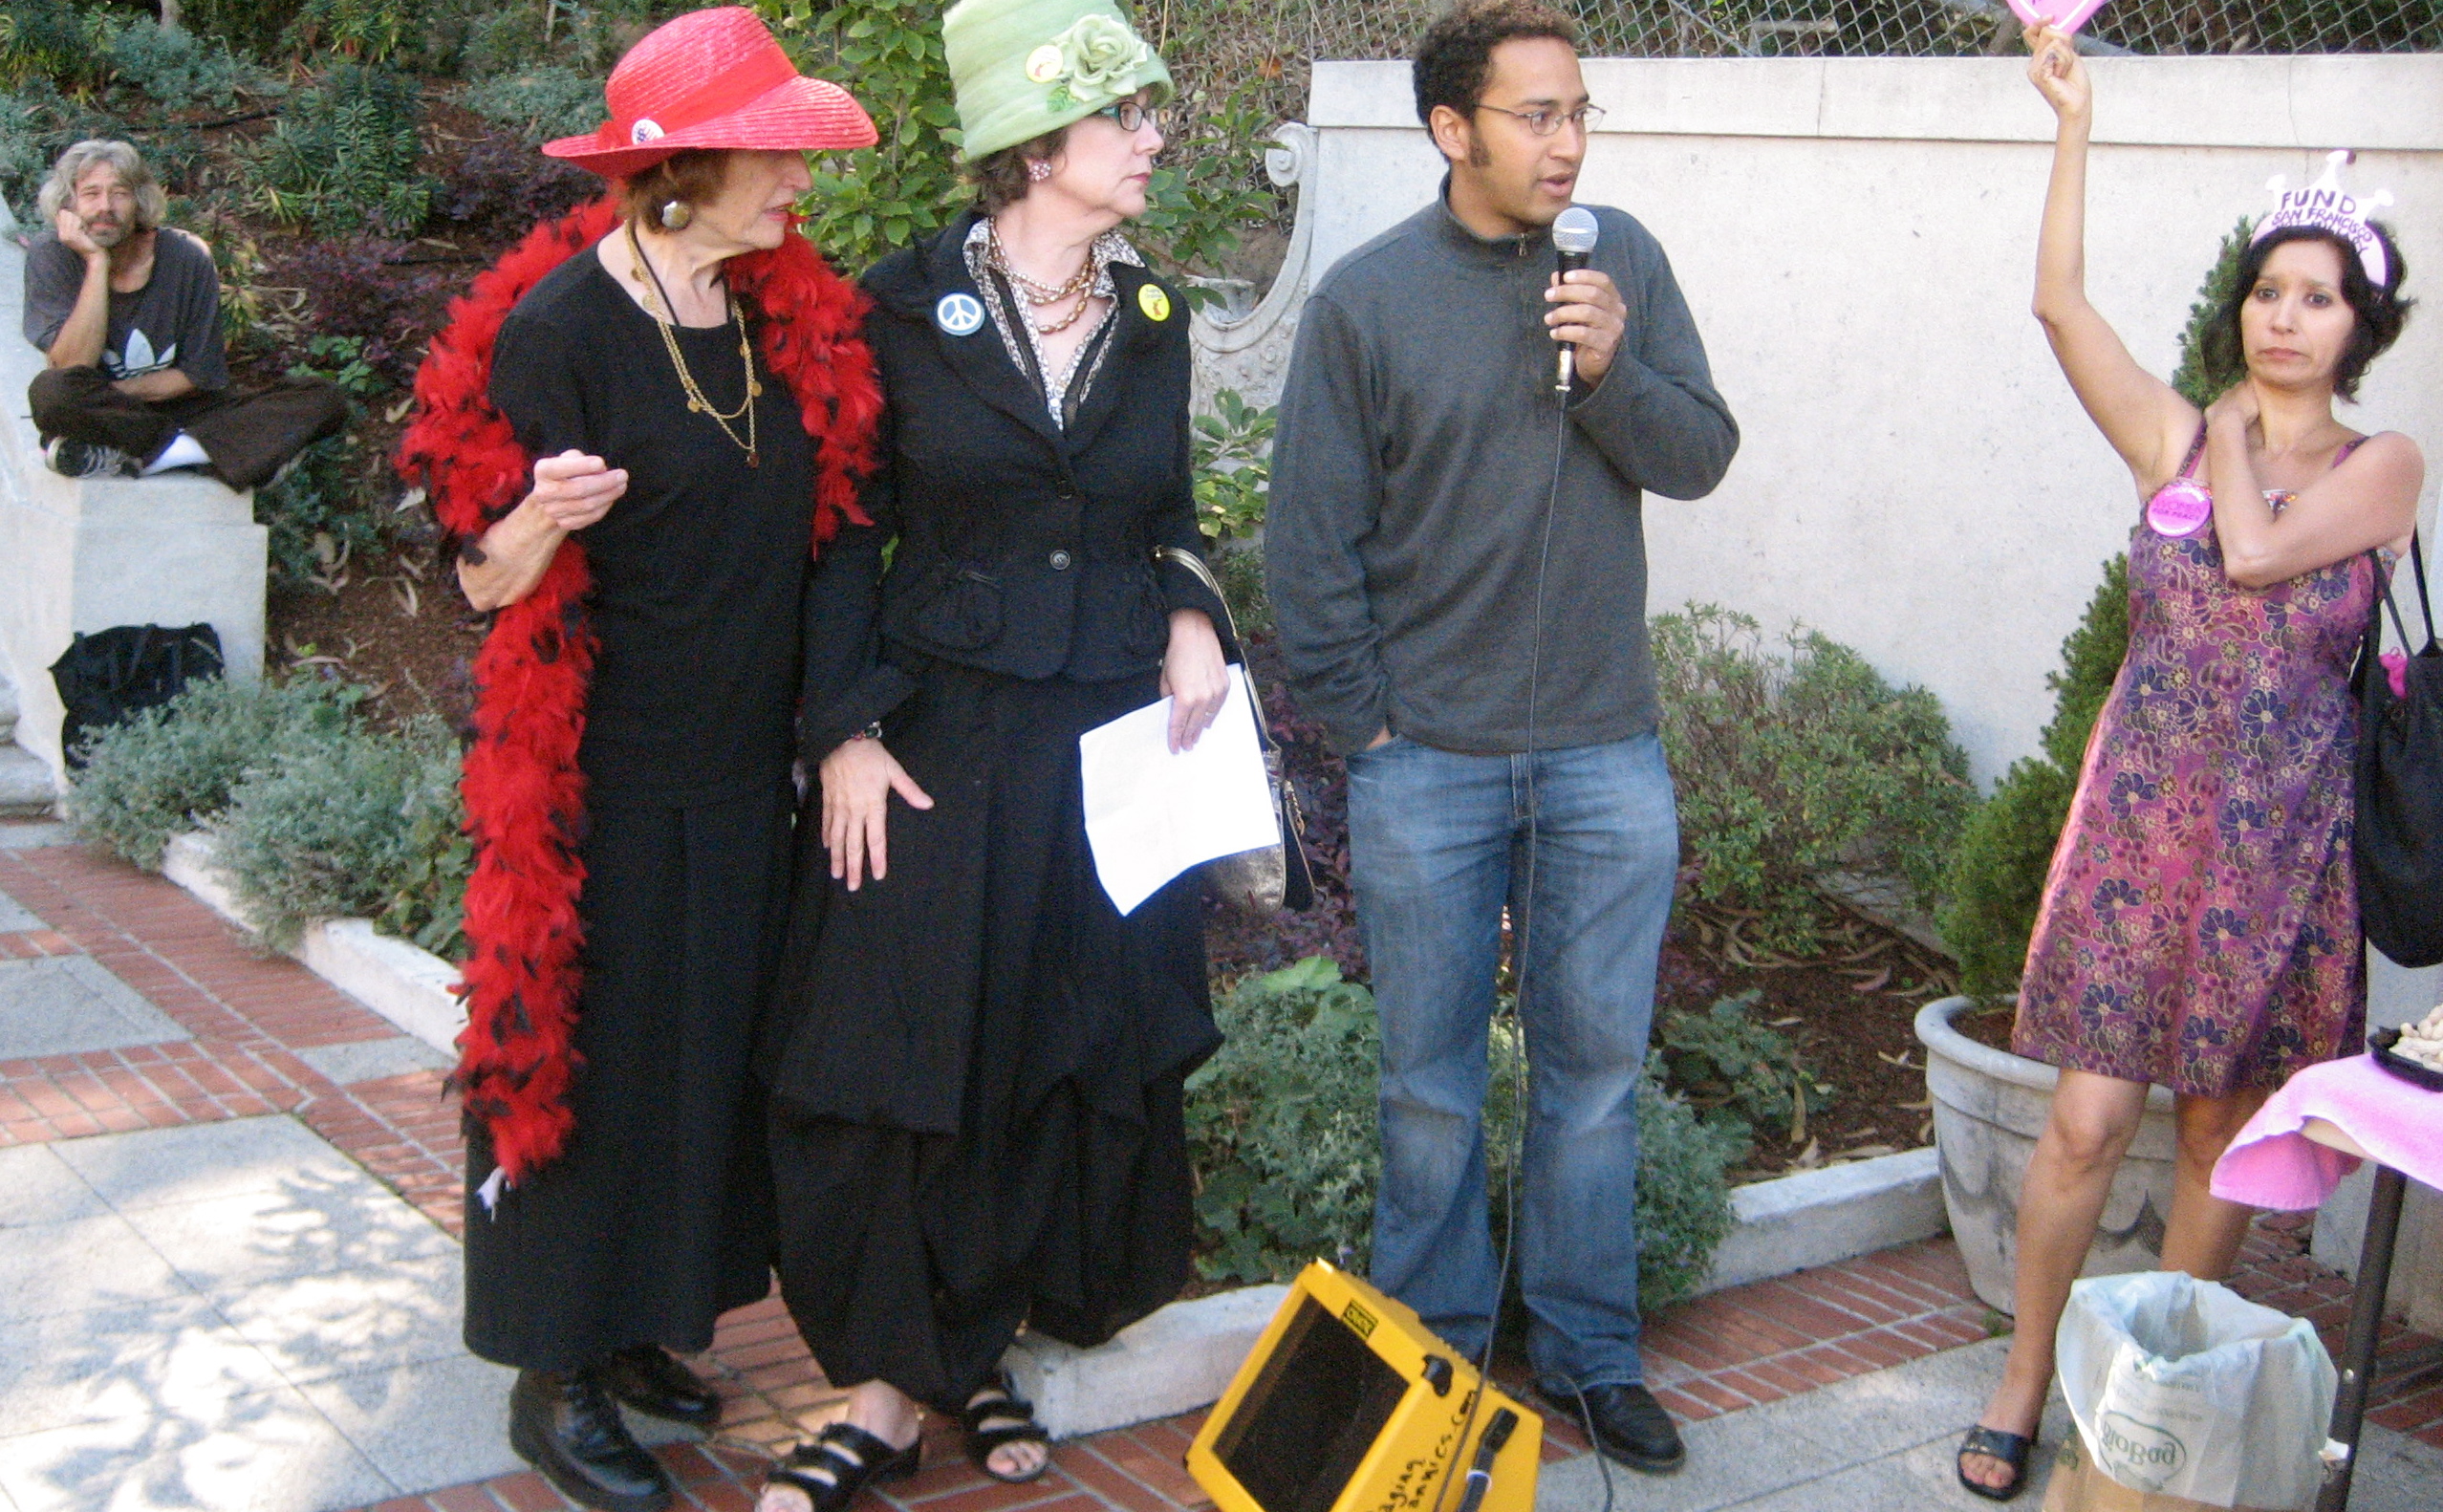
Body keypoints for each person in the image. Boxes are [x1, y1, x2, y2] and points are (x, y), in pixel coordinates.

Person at [397, 11, 882, 1512]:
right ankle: (554, 1374)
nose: (799, 176)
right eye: (776, 152)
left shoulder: (773, 312)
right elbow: (483, 578)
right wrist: (542, 514)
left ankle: (638, 1326)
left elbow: (834, 519)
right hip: (603, 774)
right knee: (592, 1066)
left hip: (741, 763)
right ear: (686, 170)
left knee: (703, 1058)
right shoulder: (560, 332)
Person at [751, 0, 1233, 1503]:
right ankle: (880, 1392)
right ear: (1035, 146)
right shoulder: (893, 311)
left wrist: (1195, 613)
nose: (1153, 139)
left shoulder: (1155, 319)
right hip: (939, 731)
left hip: (1104, 738)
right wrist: (841, 726)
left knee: (1048, 1048)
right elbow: (843, 533)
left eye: (1148, 114)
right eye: (1125, 117)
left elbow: (1166, 508)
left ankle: (972, 1353)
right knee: (894, 1046)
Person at [1265, 0, 1737, 1479]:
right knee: (1430, 1086)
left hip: (1605, 748)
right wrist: (1372, 726)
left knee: (1596, 1079)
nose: (1568, 140)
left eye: (1580, 111)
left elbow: (1700, 454)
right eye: (1538, 114)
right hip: (1430, 762)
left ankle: (1590, 1351)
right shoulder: (1366, 302)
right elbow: (1308, 545)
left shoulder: (1620, 263)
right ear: (1451, 128)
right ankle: (1438, 1364)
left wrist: (1613, 371)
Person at [1957, 27, 2422, 1502]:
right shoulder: (2169, 432)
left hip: (2281, 852)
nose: (2287, 317)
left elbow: (2261, 550)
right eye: (2270, 290)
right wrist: (2073, 121)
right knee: (2086, 1121)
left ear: (2360, 325)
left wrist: (2222, 432)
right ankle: (2026, 1373)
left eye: (2319, 296)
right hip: (2139, 834)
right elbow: (2057, 303)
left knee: (2220, 1130)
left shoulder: (2381, 465)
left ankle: (2142, 1412)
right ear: (2243, 305)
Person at [22, 139, 344, 486]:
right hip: (106, 413)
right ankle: (202, 452)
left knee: (323, 399)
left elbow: (198, 375)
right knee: (53, 393)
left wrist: (113, 393)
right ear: (67, 206)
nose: (106, 207)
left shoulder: (186, 256)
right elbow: (73, 367)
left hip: (182, 410)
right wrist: (96, 262)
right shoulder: (52, 255)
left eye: (120, 194)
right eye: (91, 194)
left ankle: (158, 456)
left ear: (139, 201)